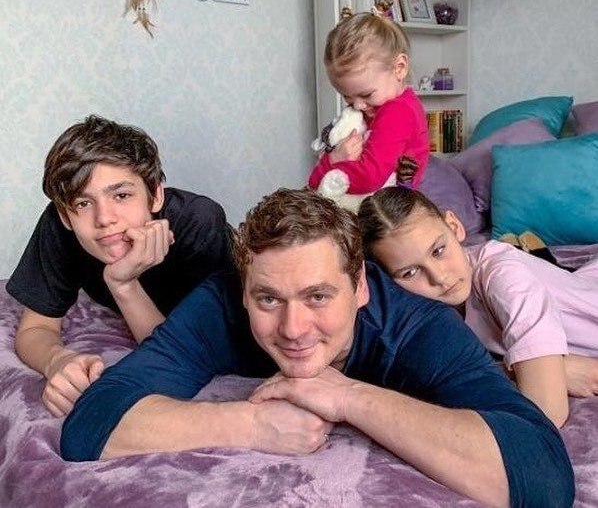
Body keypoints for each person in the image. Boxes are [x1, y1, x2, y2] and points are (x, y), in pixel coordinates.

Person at [60, 188, 574, 507]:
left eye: (318, 296)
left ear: (361, 286)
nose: (293, 329)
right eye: (268, 299)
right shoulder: (219, 304)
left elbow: (543, 475)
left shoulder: (419, 325)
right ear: (245, 291)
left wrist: (349, 396)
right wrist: (250, 424)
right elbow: (91, 424)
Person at [7, 115, 232, 418]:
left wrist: (124, 285)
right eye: (83, 203)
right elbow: (36, 327)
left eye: (122, 195)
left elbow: (185, 354)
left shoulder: (197, 221)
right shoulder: (59, 228)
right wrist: (57, 360)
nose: (104, 218)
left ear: (155, 195)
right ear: (64, 215)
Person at [358, 185, 598, 428]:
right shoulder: (422, 313)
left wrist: (539, 373)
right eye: (410, 272)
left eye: (438, 251)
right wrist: (534, 370)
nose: (439, 277)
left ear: (454, 226)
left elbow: (546, 414)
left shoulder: (504, 277)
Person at [308, 10, 430, 200]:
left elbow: (369, 176)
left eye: (366, 94)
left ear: (399, 68)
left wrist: (329, 165)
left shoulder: (398, 112)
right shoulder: (383, 106)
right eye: (347, 97)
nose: (357, 105)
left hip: (386, 209)